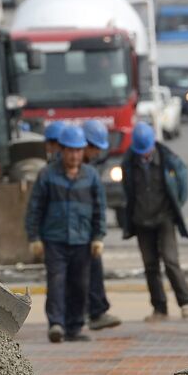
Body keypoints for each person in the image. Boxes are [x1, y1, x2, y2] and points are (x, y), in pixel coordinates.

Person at [26, 124, 106, 343]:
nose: (74, 155)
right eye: (70, 150)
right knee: (57, 282)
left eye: (78, 150)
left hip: (82, 240)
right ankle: (57, 324)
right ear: (61, 150)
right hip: (55, 239)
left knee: (80, 284)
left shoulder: (91, 176)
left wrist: (98, 237)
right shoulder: (47, 175)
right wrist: (34, 238)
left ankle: (74, 327)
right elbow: (35, 208)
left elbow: (99, 209)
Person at [122, 122, 188, 321]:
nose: (144, 156)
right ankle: (159, 307)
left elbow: (183, 182)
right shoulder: (128, 162)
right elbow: (127, 191)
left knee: (171, 261)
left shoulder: (168, 158)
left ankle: (186, 301)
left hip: (164, 218)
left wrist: (176, 205)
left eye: (147, 152)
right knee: (150, 265)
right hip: (141, 220)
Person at [82, 119, 121, 330]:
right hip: (76, 231)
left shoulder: (90, 168)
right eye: (95, 148)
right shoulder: (74, 169)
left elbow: (98, 203)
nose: (97, 153)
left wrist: (98, 232)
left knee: (94, 269)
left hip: (87, 230)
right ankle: (85, 315)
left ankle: (97, 311)